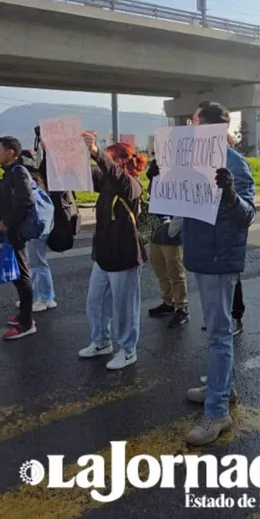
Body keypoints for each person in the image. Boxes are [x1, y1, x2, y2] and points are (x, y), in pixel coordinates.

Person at [182, 101, 255, 446]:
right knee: (216, 330)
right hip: (200, 254)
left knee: (219, 333)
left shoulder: (235, 164)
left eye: (195, 121)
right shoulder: (192, 162)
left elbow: (247, 214)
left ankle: (216, 411)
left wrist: (229, 195)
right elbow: (179, 209)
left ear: (210, 127)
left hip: (219, 258)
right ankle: (222, 387)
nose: (191, 127)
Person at [78, 131, 147, 370]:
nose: (105, 161)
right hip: (104, 254)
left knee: (124, 307)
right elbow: (77, 173)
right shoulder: (106, 182)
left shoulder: (132, 185)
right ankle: (101, 342)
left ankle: (128, 350)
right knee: (95, 301)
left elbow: (117, 177)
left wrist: (97, 153)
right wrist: (57, 151)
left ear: (120, 161)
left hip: (125, 255)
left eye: (109, 157)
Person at [0, 136, 38, 340]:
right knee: (19, 276)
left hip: (16, 231)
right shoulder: (10, 172)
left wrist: (7, 222)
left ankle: (27, 323)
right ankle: (24, 316)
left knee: (22, 276)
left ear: (11, 152)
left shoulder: (18, 172)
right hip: (11, 231)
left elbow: (25, 202)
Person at [145, 157, 188, 326]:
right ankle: (168, 302)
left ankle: (181, 307)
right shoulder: (157, 170)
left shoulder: (180, 172)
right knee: (161, 269)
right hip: (156, 229)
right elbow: (152, 197)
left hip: (172, 231)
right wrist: (152, 179)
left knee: (175, 270)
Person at [21, 149, 57, 312]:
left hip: (34, 225)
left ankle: (45, 298)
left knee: (37, 264)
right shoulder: (36, 177)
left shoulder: (27, 180)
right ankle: (39, 296)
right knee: (35, 262)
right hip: (39, 224)